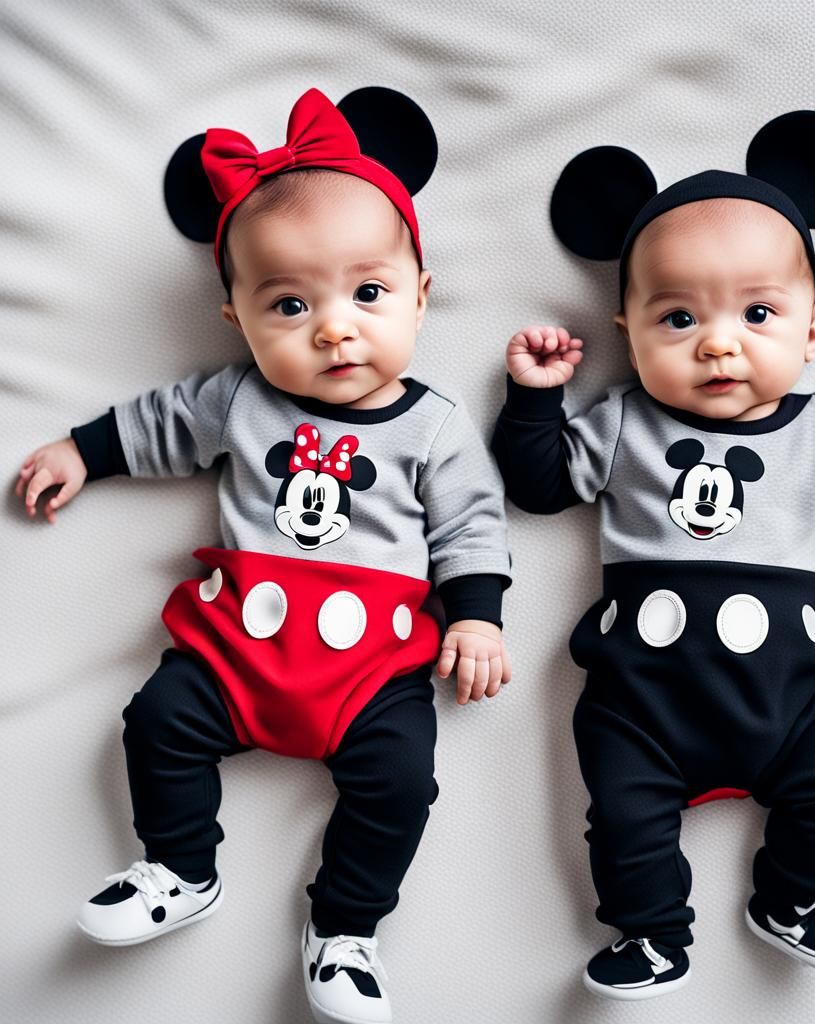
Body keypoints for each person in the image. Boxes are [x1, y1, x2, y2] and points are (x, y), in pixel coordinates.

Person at [15, 87, 512, 1024]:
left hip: (372, 669)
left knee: (402, 780)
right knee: (158, 720)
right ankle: (178, 866)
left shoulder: (437, 428)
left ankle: (347, 931)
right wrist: (82, 450)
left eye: (369, 294)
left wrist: (478, 613)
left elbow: (470, 525)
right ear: (238, 319)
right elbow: (158, 424)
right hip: (235, 648)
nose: (334, 328)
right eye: (290, 303)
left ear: (420, 294)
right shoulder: (241, 402)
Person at [491, 111, 815, 999]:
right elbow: (540, 486)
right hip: (638, 702)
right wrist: (537, 400)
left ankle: (792, 897)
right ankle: (651, 934)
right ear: (627, 328)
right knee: (622, 817)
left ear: (813, 329)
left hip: (793, 700)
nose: (719, 342)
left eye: (758, 313)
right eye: (679, 317)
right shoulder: (622, 422)